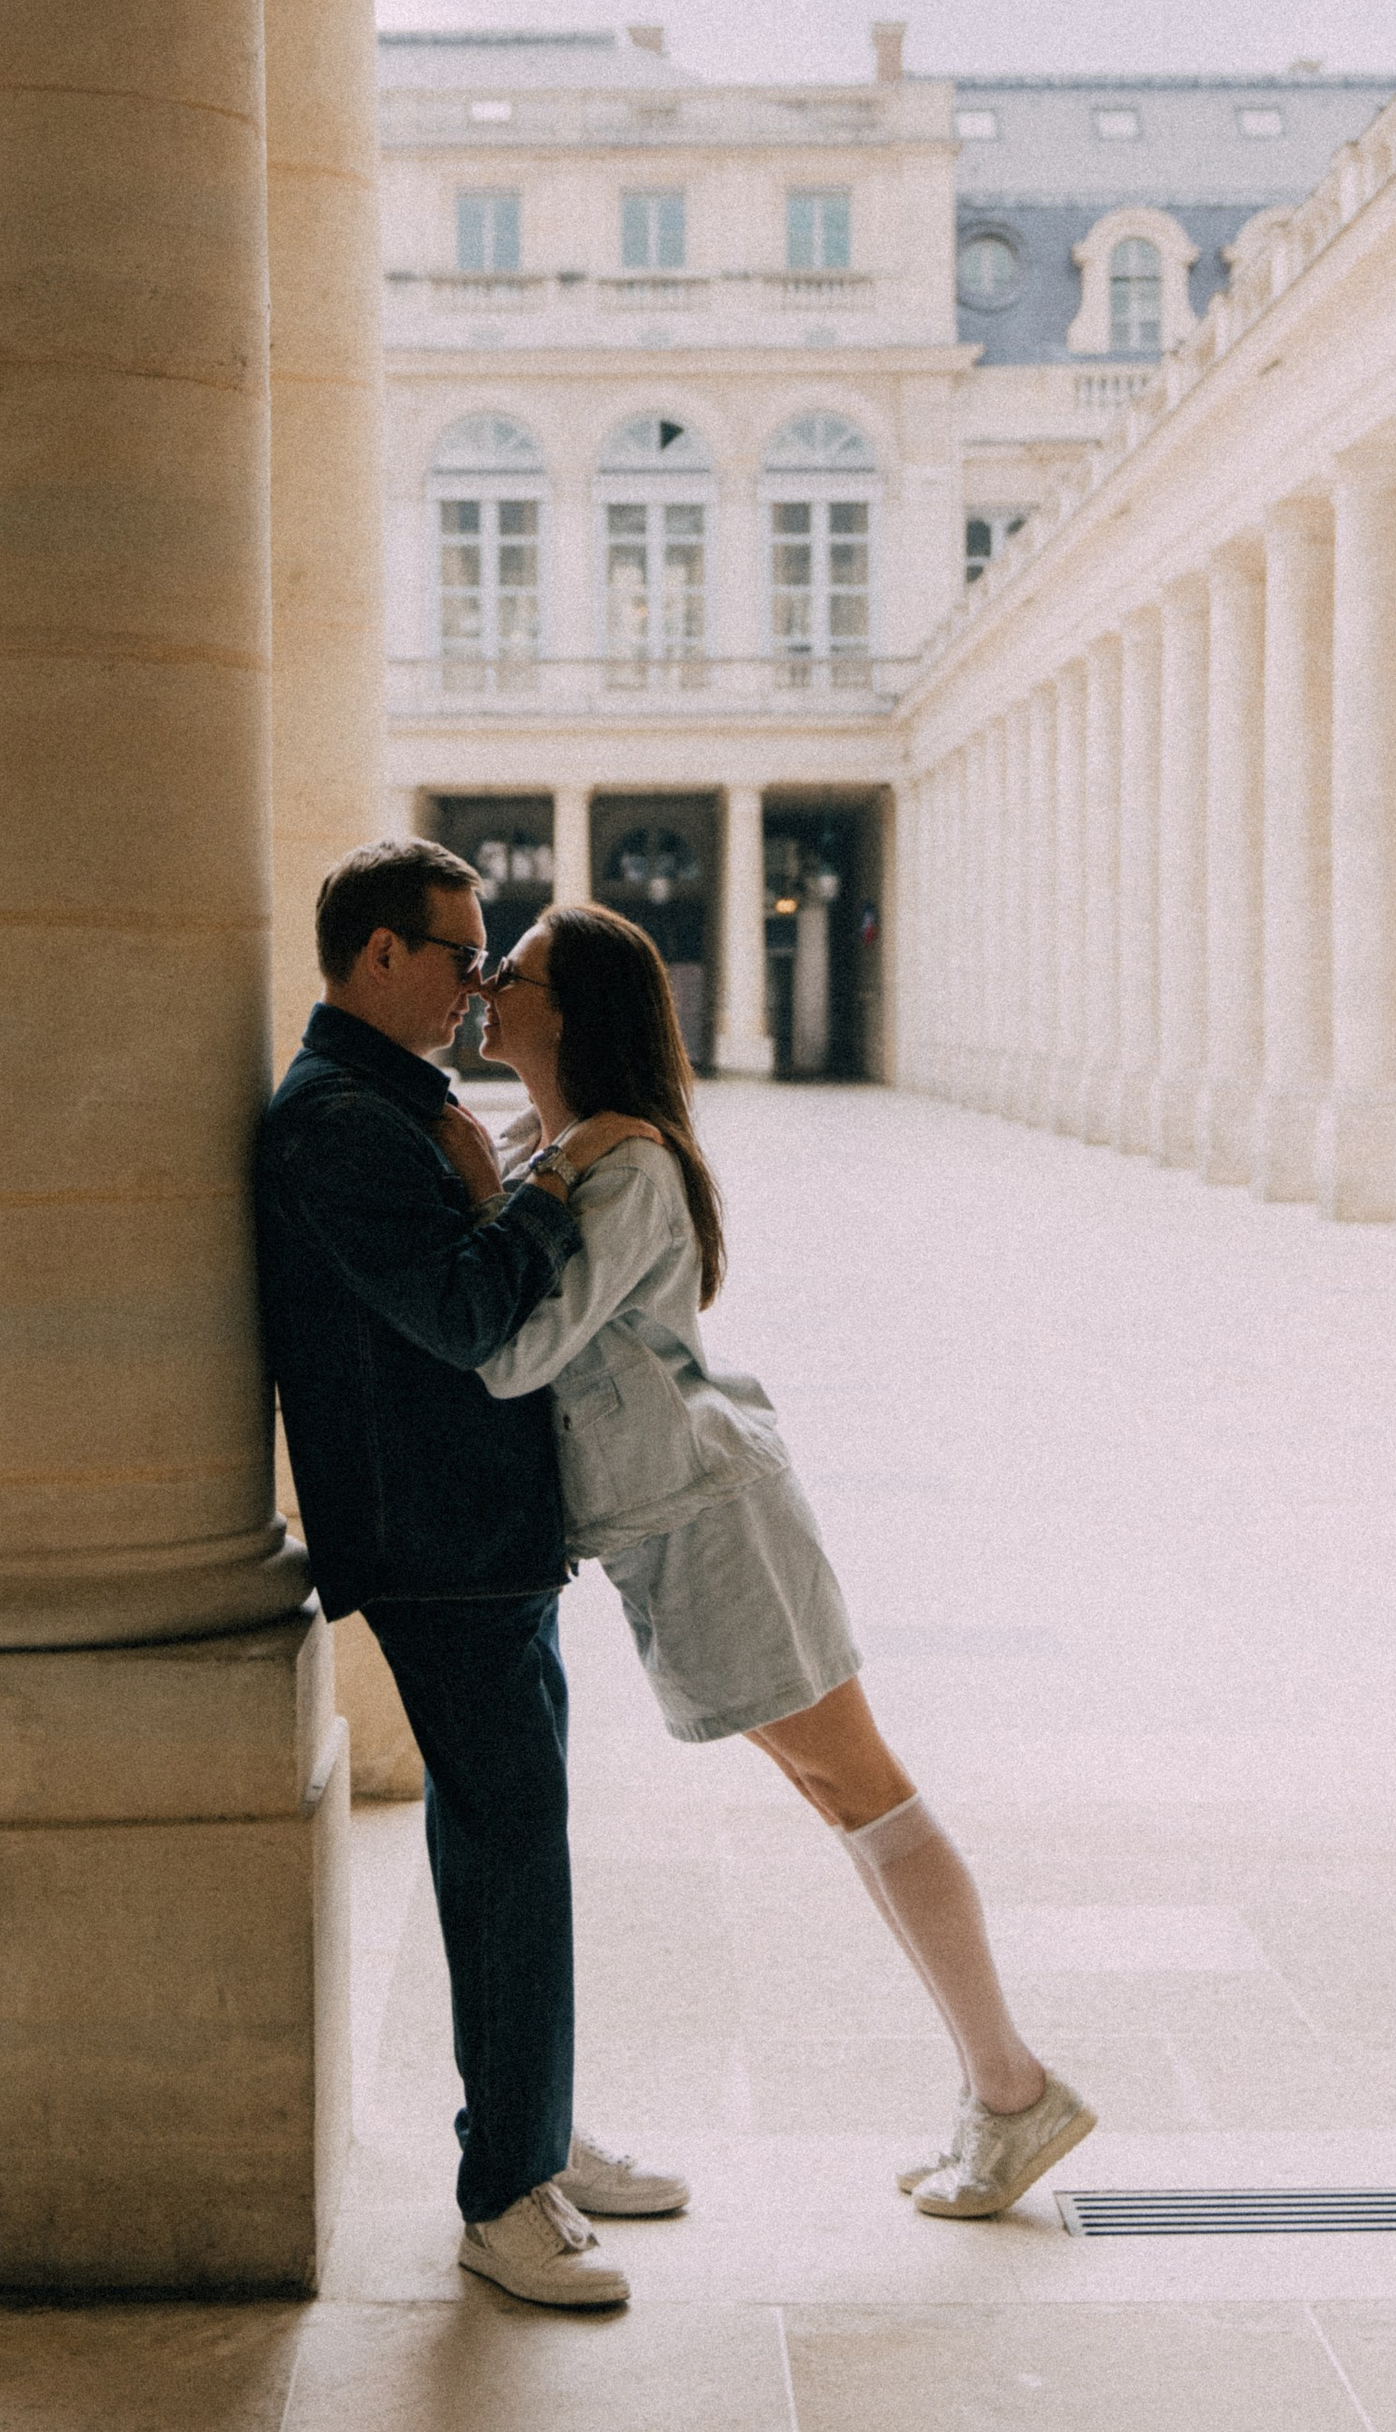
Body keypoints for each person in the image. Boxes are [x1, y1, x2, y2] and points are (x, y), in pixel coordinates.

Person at [474, 902, 1095, 2222]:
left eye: (514, 969)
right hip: (674, 1526)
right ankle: (1003, 2088)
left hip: (717, 1518)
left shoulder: (620, 1169)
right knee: (843, 1795)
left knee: (862, 1786)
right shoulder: (562, 1146)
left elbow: (517, 1352)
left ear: (571, 1010)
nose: (488, 981)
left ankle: (1012, 2086)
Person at [255, 838, 689, 2311]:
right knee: (509, 1852)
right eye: (458, 952)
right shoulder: (338, 1124)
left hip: (481, 1532)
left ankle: (533, 2123)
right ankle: (503, 2192)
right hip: (437, 1538)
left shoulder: (394, 1105)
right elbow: (460, 1314)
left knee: (509, 1843)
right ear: (378, 954)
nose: (475, 980)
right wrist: (555, 1185)